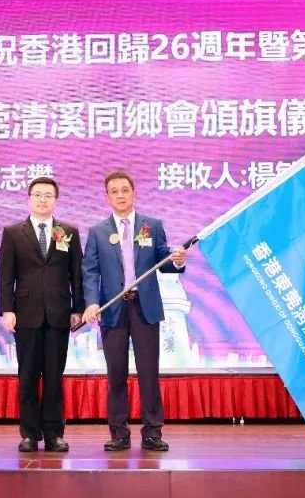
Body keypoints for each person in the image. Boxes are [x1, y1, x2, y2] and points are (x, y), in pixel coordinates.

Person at [82, 170, 187, 452]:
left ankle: (153, 432)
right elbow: (90, 271)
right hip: (113, 309)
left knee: (148, 373)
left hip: (145, 307)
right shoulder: (97, 232)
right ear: (107, 197)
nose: (120, 195)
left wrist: (177, 261)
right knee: (116, 373)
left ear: (134, 194)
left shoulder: (152, 226)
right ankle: (119, 433)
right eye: (114, 191)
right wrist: (91, 302)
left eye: (125, 190)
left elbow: (163, 261)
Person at [0, 177, 83, 452]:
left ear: (55, 200)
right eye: (38, 195)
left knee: (55, 377)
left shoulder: (68, 231)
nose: (43, 200)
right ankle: (29, 434)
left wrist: (78, 308)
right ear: (29, 198)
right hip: (26, 313)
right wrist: (7, 309)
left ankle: (54, 434)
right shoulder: (13, 232)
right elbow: (5, 275)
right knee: (28, 375)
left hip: (59, 313)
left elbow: (76, 274)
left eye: (48, 195)